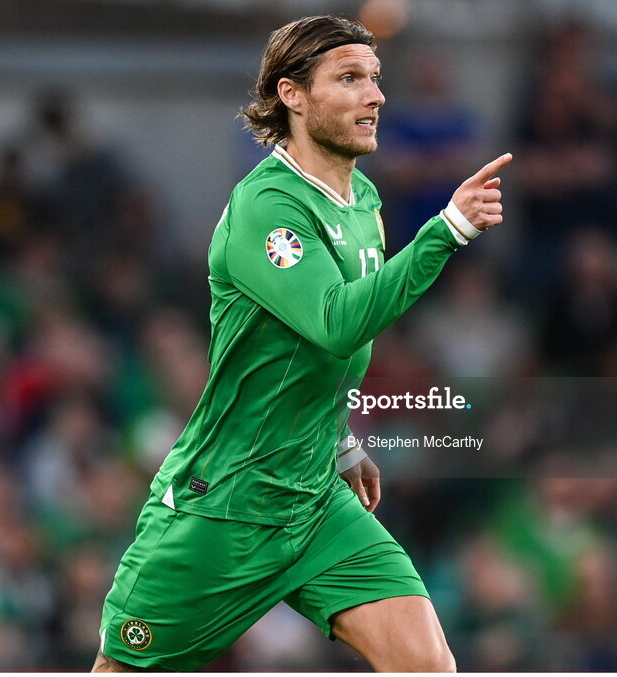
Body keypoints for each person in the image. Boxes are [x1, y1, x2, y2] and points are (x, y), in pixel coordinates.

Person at [92, 15, 511, 672]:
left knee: (429, 665)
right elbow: (335, 320)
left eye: (374, 79)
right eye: (349, 79)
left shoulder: (362, 199)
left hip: (314, 500)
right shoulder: (267, 207)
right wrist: (446, 230)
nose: (374, 96)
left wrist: (339, 438)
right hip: (225, 505)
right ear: (292, 95)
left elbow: (322, 355)